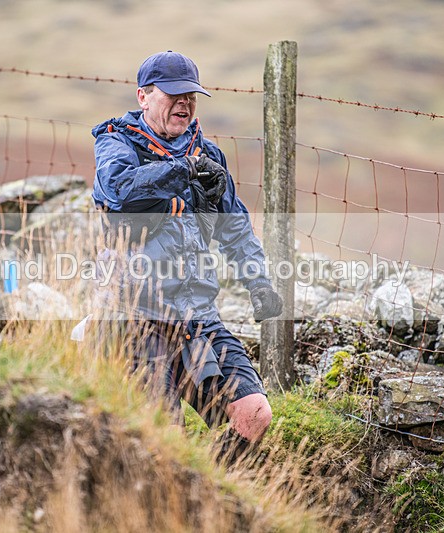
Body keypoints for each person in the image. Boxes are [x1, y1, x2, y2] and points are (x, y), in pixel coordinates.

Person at [92, 51, 284, 464]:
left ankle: (211, 485)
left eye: (191, 96)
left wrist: (259, 283)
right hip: (134, 318)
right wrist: (184, 170)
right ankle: (169, 494)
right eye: (173, 94)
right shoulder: (116, 143)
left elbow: (234, 226)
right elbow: (120, 188)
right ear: (143, 96)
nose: (185, 103)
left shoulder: (208, 155)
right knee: (164, 439)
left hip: (197, 318)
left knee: (253, 414)